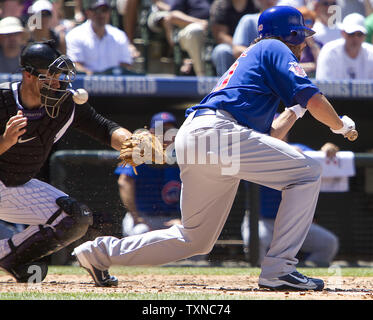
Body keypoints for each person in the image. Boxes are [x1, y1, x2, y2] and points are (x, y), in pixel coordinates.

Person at [73, 6, 357, 291]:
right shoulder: (274, 46)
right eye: (300, 37)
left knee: (196, 238)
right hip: (219, 134)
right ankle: (280, 269)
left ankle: (98, 253)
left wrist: (295, 110)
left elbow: (272, 134)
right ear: (289, 34)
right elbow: (315, 99)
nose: (303, 43)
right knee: (308, 172)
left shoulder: (257, 60)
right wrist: (340, 125)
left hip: (203, 137)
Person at [0, 40, 132, 285]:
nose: (58, 82)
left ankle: (8, 256)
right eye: (50, 76)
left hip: (16, 186)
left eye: (60, 75)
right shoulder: (3, 99)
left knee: (76, 217)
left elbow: (103, 128)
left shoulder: (65, 105)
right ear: (28, 75)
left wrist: (133, 143)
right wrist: (5, 142)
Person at [241, 140, 340, 267]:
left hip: (293, 221)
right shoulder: (254, 147)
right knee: (257, 241)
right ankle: (261, 276)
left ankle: (298, 273)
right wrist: (286, 152)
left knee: (328, 243)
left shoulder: (299, 147)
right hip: (261, 220)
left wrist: (326, 151)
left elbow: (320, 159)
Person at [116, 112, 182, 237]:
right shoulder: (138, 152)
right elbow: (124, 181)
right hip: (142, 217)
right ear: (151, 132)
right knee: (140, 231)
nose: (165, 135)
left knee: (193, 236)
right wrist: (136, 216)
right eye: (161, 130)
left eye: (170, 130)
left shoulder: (183, 155)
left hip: (172, 219)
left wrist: (185, 220)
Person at [65, 0, 133, 75]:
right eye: (97, 10)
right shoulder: (75, 35)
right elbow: (74, 64)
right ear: (88, 12)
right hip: (86, 84)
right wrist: (96, 78)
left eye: (105, 10)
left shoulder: (119, 35)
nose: (101, 15)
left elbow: (126, 65)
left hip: (115, 84)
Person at [161, 0, 212, 76]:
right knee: (195, 30)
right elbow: (173, 15)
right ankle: (202, 77)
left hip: (213, 32)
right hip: (188, 30)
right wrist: (198, 22)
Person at [316, 13, 373, 80]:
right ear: (343, 33)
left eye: (359, 34)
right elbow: (323, 86)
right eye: (351, 34)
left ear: (365, 36)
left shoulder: (371, 53)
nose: (355, 38)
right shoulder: (329, 52)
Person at [209, 0, 257, 76]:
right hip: (231, 47)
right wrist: (240, 48)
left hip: (252, 47)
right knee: (222, 51)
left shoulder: (255, 4)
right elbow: (220, 36)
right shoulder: (221, 5)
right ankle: (224, 85)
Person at [297, 6, 322, 77]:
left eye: (308, 21)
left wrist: (312, 45)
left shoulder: (318, 44)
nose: (304, 25)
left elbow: (321, 64)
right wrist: (312, 65)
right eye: (301, 21)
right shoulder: (289, 43)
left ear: (312, 24)